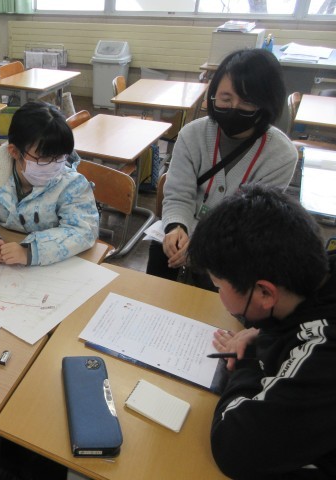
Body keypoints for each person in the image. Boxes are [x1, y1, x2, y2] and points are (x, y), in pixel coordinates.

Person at [188, 183, 336, 479]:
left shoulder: (324, 352)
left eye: (218, 286)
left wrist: (249, 357)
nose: (218, 295)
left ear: (266, 293)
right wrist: (263, 331)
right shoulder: (316, 278)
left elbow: (234, 447)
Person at [146, 48, 298, 285]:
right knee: (162, 251)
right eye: (225, 99)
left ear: (266, 103)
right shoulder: (192, 135)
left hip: (233, 246)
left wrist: (203, 248)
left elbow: (251, 224)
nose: (233, 107)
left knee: (218, 283)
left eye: (247, 102)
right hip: (187, 228)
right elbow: (178, 194)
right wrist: (176, 227)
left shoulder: (281, 154)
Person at [0, 101, 99, 266]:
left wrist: (31, 250)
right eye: (43, 158)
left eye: (60, 157)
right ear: (14, 152)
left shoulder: (72, 186)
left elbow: (84, 230)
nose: (53, 165)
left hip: (49, 270)